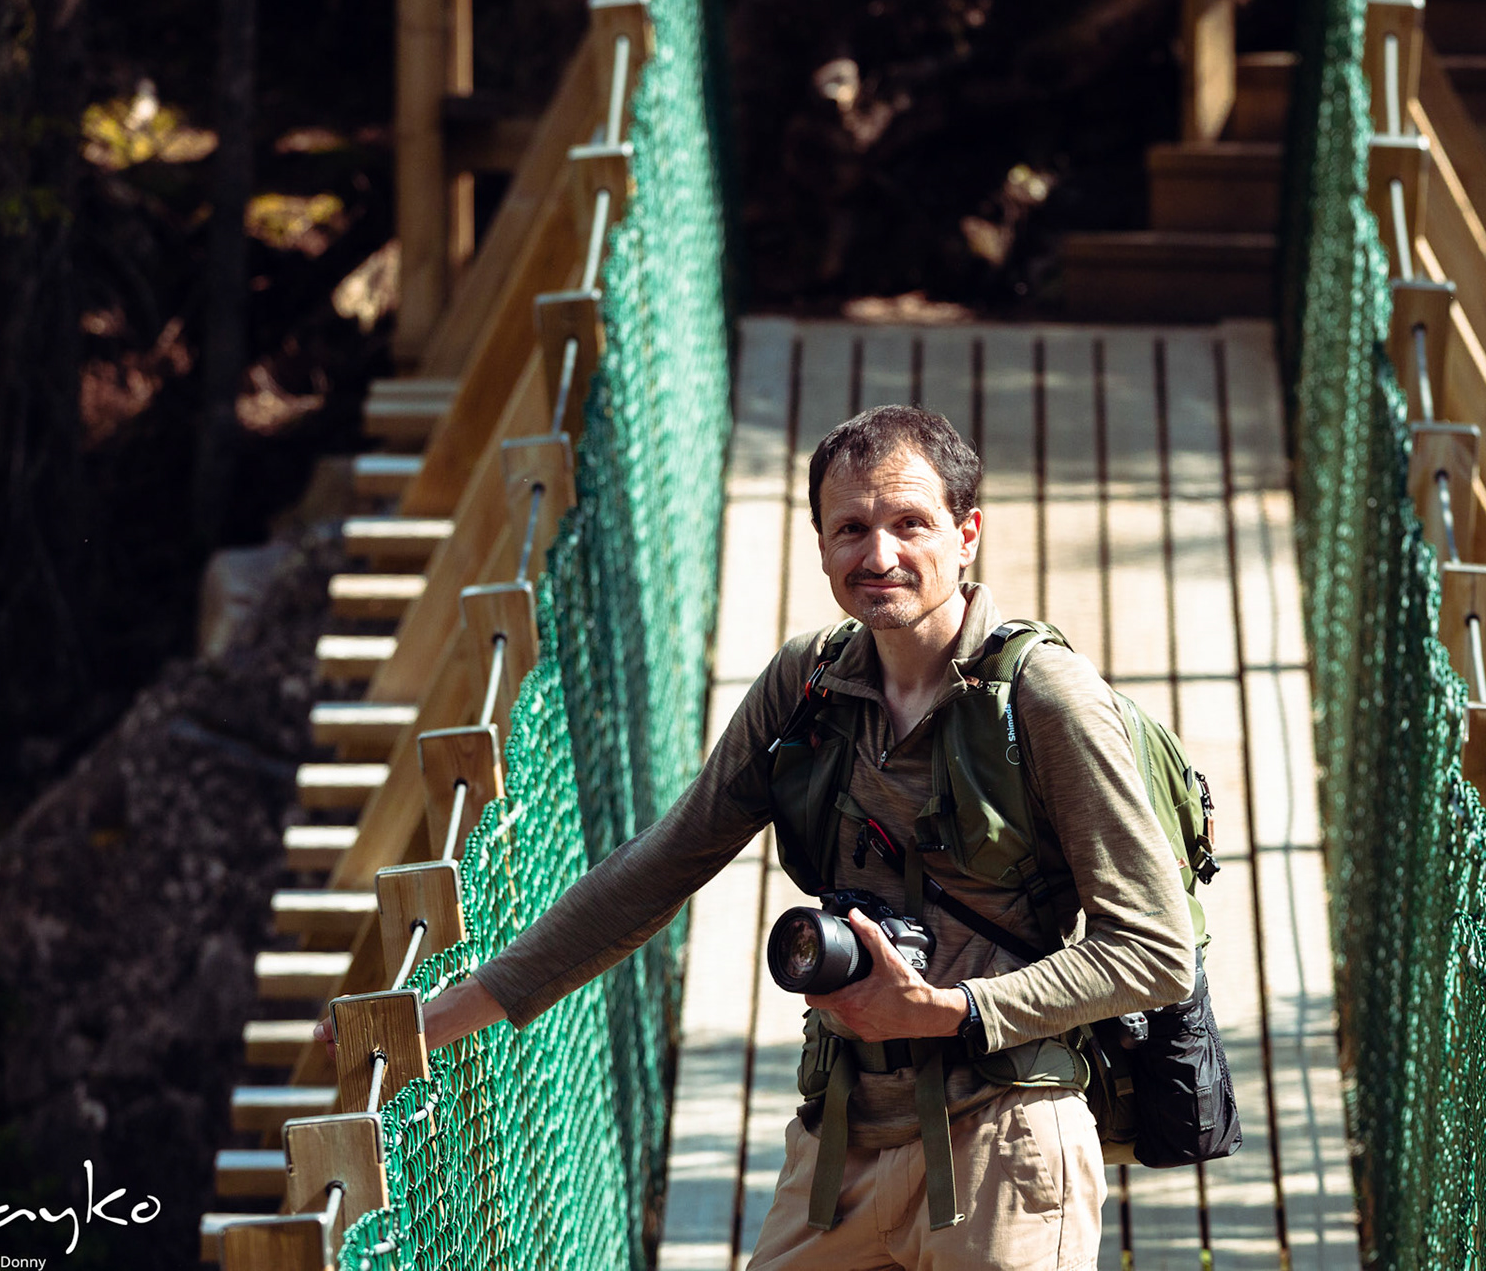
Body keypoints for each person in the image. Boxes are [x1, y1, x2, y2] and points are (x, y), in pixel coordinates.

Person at [321, 405, 1194, 1269]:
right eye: (850, 528)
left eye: (910, 524)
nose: (878, 556)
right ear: (819, 544)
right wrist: (437, 1021)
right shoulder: (808, 685)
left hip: (1008, 1141)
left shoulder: (1046, 701)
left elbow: (1156, 952)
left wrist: (950, 1009)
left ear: (967, 534)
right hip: (843, 1138)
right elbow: (665, 863)